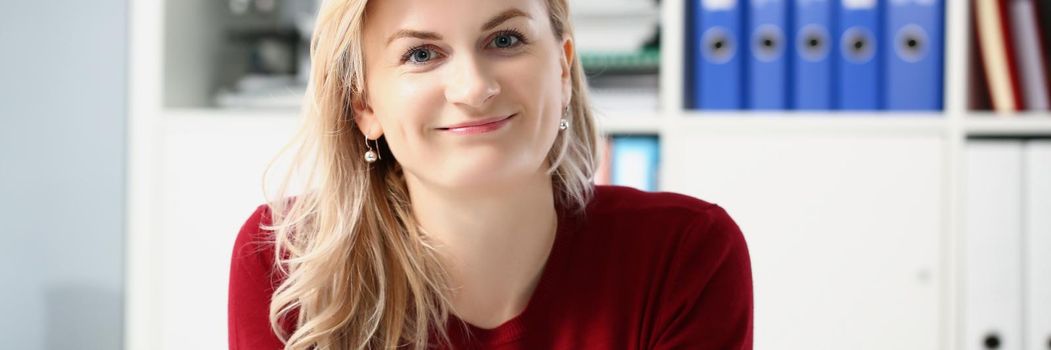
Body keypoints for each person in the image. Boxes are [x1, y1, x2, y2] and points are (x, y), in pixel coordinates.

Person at [227, 0, 754, 348]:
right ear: (363, 102)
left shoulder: (685, 253)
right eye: (422, 53)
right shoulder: (287, 264)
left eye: (505, 41)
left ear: (564, 70)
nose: (474, 87)